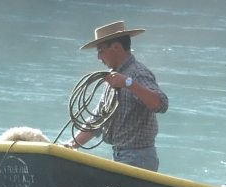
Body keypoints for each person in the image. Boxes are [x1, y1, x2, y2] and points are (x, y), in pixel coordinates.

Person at [66, 21, 169, 171]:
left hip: (138, 158)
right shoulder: (113, 78)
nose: (98, 57)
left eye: (100, 50)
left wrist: (128, 83)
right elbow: (97, 120)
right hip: (122, 156)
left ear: (116, 47)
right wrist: (71, 145)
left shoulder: (137, 73)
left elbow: (160, 104)